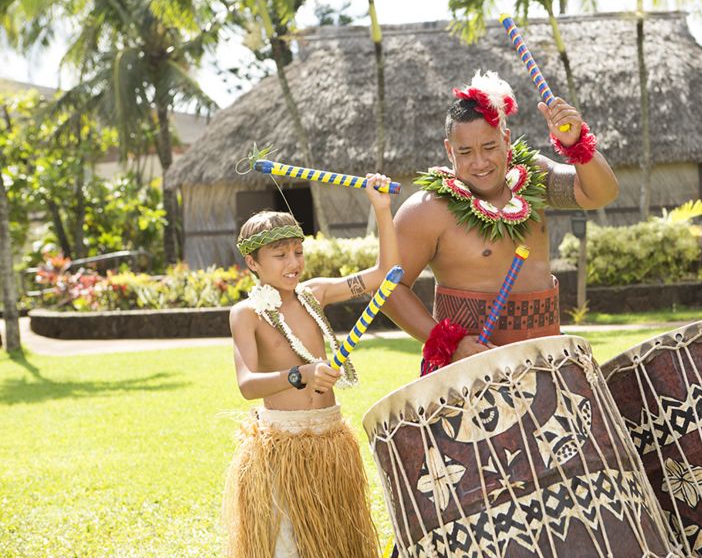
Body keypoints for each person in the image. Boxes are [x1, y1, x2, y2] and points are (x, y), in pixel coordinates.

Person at [383, 71, 619, 374]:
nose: (480, 162)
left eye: (490, 147)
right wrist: (451, 345)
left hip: (545, 363)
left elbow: (600, 194)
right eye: (465, 152)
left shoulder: (535, 177)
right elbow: (389, 288)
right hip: (468, 372)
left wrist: (576, 145)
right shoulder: (426, 211)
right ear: (448, 150)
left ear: (505, 139)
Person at [223, 174, 396, 558]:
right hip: (282, 447)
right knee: (288, 546)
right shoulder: (247, 314)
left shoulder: (315, 294)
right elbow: (247, 384)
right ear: (252, 261)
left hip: (329, 437)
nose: (293, 263)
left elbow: (384, 275)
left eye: (298, 252)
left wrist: (382, 210)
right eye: (280, 255)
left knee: (335, 543)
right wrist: (299, 374)